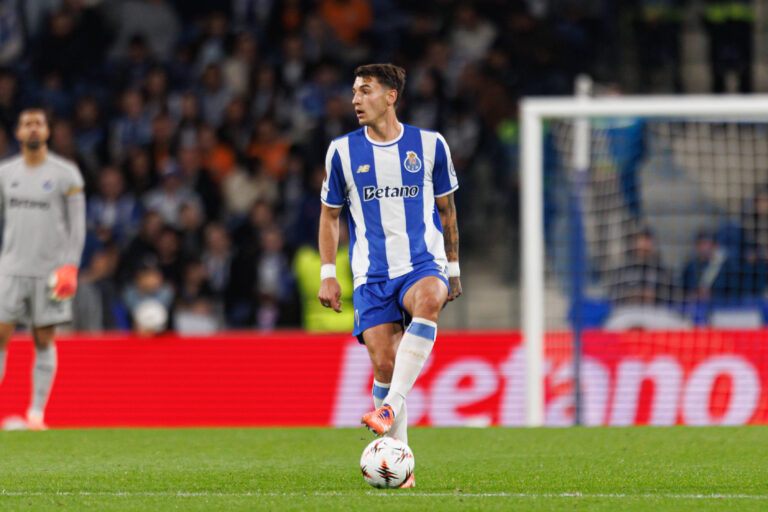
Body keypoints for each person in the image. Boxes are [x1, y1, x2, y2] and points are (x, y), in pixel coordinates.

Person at [317, 63, 461, 488]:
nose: (356, 99)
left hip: (421, 262)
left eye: (365, 91)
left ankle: (389, 406)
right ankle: (400, 467)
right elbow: (329, 215)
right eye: (355, 92)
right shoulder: (341, 151)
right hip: (371, 274)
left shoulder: (430, 145)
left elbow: (447, 210)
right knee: (384, 363)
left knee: (430, 299)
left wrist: (451, 267)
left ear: (390, 96)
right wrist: (329, 272)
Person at [0, 109, 86, 429]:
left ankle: (36, 414)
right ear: (18, 133)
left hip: (51, 272)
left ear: (48, 131)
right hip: (10, 268)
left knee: (45, 339)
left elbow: (77, 226)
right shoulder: (5, 173)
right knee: (0, 335)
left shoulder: (66, 174)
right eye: (27, 124)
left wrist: (71, 268)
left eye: (39, 123)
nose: (33, 129)